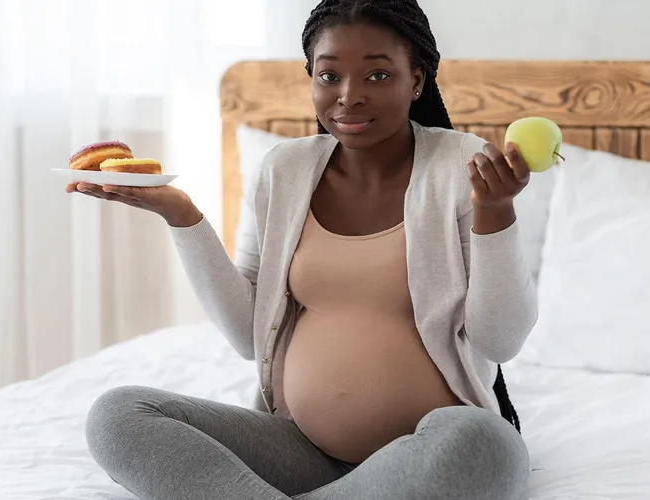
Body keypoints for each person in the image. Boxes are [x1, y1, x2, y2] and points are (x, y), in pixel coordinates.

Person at [71, 1, 537, 498]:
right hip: (299, 453)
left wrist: (496, 213)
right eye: (329, 75)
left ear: (417, 81)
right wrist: (181, 214)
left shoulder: (462, 165)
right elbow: (250, 337)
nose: (349, 97)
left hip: (425, 451)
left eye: (377, 76)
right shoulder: (284, 170)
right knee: (118, 414)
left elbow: (499, 341)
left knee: (484, 443)